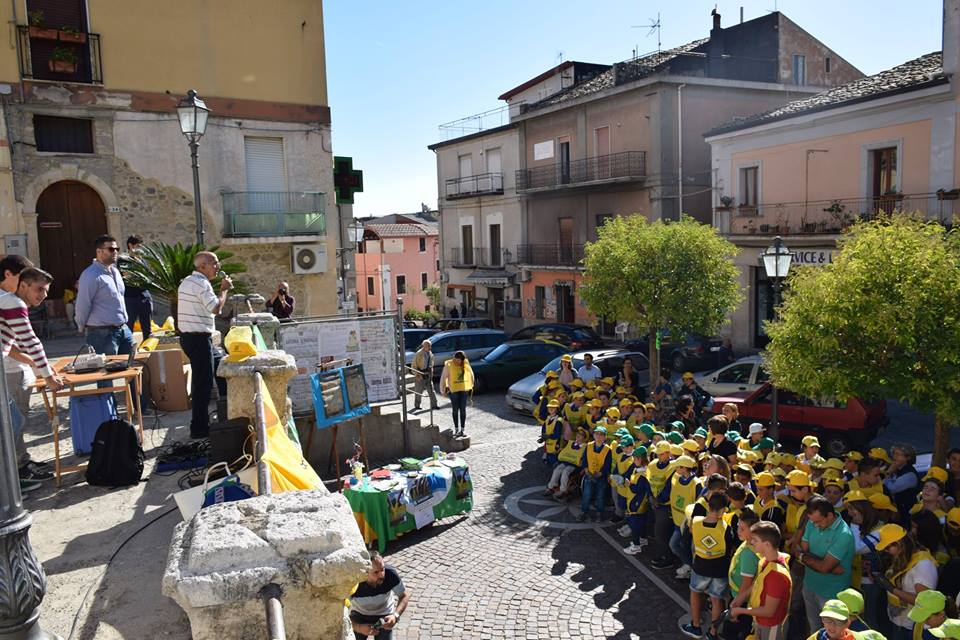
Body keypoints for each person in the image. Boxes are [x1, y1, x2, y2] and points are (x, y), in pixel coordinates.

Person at [0, 265, 63, 490]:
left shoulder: (6, 301)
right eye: (39, 289)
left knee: (11, 423)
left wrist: (42, 369)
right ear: (23, 285)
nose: (43, 295)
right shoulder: (13, 302)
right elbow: (31, 342)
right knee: (11, 424)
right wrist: (47, 376)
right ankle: (10, 486)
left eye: (46, 291)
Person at [177, 251, 233, 439]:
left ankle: (227, 415)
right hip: (198, 339)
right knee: (203, 384)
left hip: (193, 338)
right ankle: (199, 428)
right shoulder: (202, 284)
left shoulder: (188, 281)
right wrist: (224, 289)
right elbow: (216, 308)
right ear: (202, 266)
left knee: (221, 370)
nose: (218, 266)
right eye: (214, 263)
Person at [680, 492, 736, 639]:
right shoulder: (725, 527)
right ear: (723, 509)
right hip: (719, 570)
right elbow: (729, 547)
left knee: (695, 593)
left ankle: (696, 625)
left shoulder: (696, 521)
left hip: (700, 567)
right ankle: (713, 632)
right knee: (716, 599)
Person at [799, 495, 856, 635]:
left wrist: (805, 558)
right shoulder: (812, 522)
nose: (815, 525)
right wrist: (824, 566)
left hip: (831, 594)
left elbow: (821, 566)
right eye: (813, 521)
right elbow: (803, 550)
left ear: (830, 515)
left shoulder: (844, 535)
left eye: (819, 521)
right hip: (809, 585)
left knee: (833, 634)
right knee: (814, 630)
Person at [874, 524, 938, 640]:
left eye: (888, 548)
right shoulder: (904, 556)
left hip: (910, 627)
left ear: (900, 544)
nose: (886, 551)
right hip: (898, 622)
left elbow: (923, 601)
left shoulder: (923, 565)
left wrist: (892, 589)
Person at [730, 521, 792, 640]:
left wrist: (739, 610)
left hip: (771, 626)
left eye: (755, 540)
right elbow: (758, 583)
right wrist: (741, 597)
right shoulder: (765, 561)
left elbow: (769, 611)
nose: (751, 542)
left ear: (767, 544)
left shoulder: (776, 576)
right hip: (760, 620)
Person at [75, 235, 132, 357]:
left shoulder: (115, 271)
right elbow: (83, 304)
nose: (115, 252)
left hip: (123, 329)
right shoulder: (90, 275)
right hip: (101, 333)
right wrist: (81, 326)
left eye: (117, 248)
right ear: (99, 251)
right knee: (105, 372)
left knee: (132, 368)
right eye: (111, 249)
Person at [349, 552, 410, 640]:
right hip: (359, 615)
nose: (382, 575)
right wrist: (358, 627)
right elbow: (340, 610)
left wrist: (395, 616)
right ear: (365, 572)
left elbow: (404, 596)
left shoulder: (390, 574)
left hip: (384, 614)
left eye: (382, 569)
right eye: (376, 572)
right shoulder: (353, 581)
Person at [577, 425, 612, 522]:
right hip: (589, 474)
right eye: (597, 434)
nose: (599, 436)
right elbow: (584, 460)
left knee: (600, 496)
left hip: (601, 477)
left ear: (605, 437)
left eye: (601, 435)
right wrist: (587, 471)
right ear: (593, 435)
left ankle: (599, 513)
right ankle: (584, 512)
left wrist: (599, 474)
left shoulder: (608, 449)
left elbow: (607, 465)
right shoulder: (588, 446)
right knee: (586, 494)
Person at [121, 235, 153, 340]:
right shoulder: (124, 260)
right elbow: (127, 275)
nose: (140, 249)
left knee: (147, 327)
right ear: (131, 245)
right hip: (130, 298)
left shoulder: (142, 260)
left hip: (144, 296)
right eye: (138, 246)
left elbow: (147, 275)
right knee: (129, 326)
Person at [622, 446, 652, 555]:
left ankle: (636, 545)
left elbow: (638, 489)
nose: (634, 461)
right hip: (640, 502)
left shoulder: (643, 475)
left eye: (635, 459)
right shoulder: (641, 470)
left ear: (639, 459)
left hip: (637, 503)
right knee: (641, 523)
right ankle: (643, 539)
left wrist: (629, 484)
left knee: (634, 525)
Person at [439, 351, 473, 437]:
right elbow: (443, 377)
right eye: (456, 360)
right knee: (455, 410)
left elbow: (471, 374)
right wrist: (442, 389)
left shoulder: (465, 363)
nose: (458, 362)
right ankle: (456, 429)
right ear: (454, 358)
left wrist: (471, 384)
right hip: (453, 390)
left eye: (459, 361)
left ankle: (462, 430)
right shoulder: (449, 364)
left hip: (463, 389)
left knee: (463, 410)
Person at [885, 445, 921, 524]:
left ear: (908, 457)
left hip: (906, 514)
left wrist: (888, 473)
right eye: (894, 454)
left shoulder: (910, 474)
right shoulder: (897, 470)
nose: (894, 457)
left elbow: (891, 489)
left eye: (898, 454)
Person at [548, 428, 588, 499]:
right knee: (557, 469)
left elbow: (584, 458)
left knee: (565, 472)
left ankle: (563, 490)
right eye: (577, 435)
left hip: (574, 465)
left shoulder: (585, 447)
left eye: (580, 436)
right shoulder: (571, 443)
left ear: (584, 438)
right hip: (566, 461)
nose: (578, 437)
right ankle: (552, 486)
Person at [410, 340, 436, 412]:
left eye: (430, 346)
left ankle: (434, 405)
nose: (430, 347)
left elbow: (431, 364)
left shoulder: (430, 353)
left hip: (427, 374)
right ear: (424, 346)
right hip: (420, 373)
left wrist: (431, 372)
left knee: (431, 390)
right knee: (418, 391)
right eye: (428, 346)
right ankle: (417, 405)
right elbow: (414, 365)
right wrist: (416, 374)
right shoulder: (419, 354)